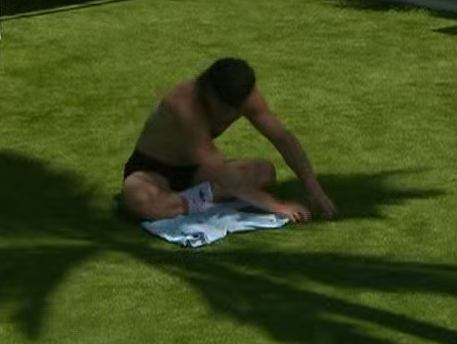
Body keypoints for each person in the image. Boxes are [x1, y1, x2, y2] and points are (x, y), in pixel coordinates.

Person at [120, 57, 338, 223]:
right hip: (153, 171)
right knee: (139, 198)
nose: (229, 115)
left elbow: (283, 139)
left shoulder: (246, 96)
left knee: (265, 172)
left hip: (196, 173)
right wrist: (277, 206)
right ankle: (208, 195)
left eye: (235, 109)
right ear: (208, 91)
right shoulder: (185, 103)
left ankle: (197, 197)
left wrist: (316, 191)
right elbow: (215, 166)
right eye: (223, 108)